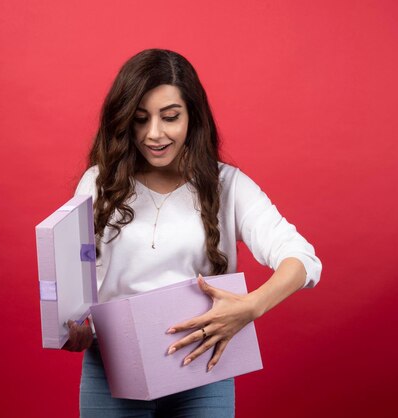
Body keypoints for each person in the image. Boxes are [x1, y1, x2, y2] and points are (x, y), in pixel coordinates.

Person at [63, 48, 322, 418]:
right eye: (140, 119)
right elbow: (76, 278)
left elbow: (303, 259)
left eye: (170, 117)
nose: (154, 134)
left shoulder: (227, 186)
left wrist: (251, 307)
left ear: (192, 117)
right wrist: (78, 328)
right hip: (113, 371)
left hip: (204, 370)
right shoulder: (97, 183)